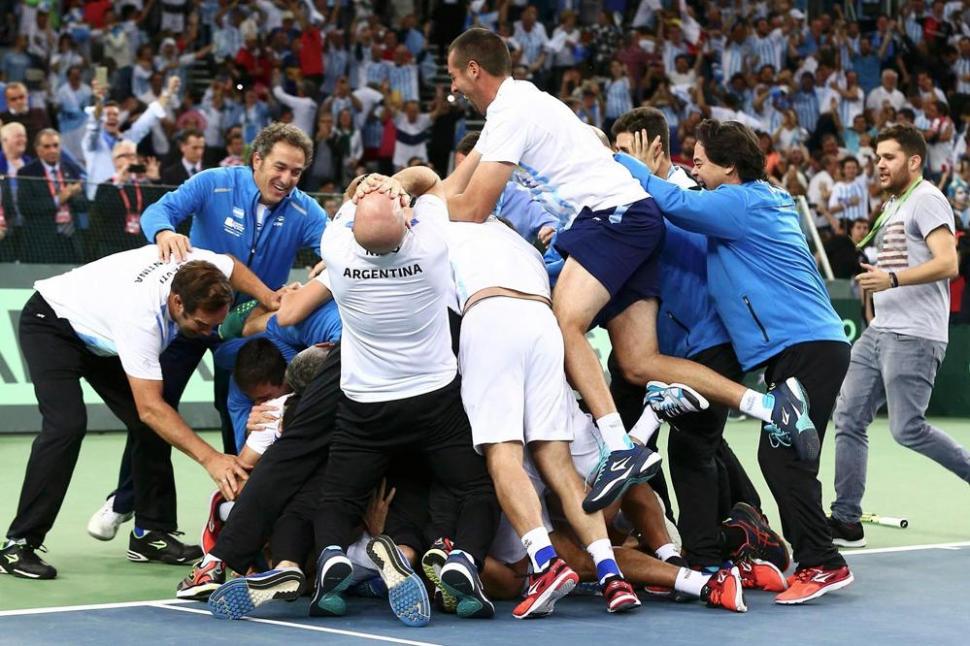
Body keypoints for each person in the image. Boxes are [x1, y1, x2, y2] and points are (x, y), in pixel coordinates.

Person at [444, 28, 813, 515]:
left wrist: (412, 218)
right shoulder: (516, 106)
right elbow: (452, 186)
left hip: (612, 216)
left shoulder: (511, 111)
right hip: (632, 219)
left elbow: (472, 208)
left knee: (564, 323)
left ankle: (618, 445)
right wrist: (403, 196)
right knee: (639, 362)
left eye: (454, 76)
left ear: (474, 69)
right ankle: (769, 406)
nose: (453, 88)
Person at [360, 167, 641, 617]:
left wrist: (389, 185)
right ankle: (611, 575)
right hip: (542, 324)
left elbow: (425, 179)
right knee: (556, 459)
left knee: (502, 455)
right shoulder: (519, 243)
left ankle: (545, 564)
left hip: (490, 316)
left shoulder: (438, 221)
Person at [622, 118, 853, 604]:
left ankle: (823, 563)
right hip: (802, 347)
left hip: (807, 345)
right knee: (780, 456)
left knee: (784, 457)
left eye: (701, 162)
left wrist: (627, 165)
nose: (694, 170)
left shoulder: (741, 202)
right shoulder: (752, 201)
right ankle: (769, 545)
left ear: (729, 166)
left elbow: (678, 204)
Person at [87, 123, 327, 542]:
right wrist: (165, 232)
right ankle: (126, 501)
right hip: (192, 315)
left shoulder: (306, 210)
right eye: (280, 167)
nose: (287, 179)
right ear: (257, 160)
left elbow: (337, 249)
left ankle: (241, 505)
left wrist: (326, 266)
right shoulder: (214, 183)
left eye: (296, 172)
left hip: (246, 325)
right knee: (158, 409)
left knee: (239, 407)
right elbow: (158, 211)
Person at [0, 247, 275, 580]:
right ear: (177, 302)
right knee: (67, 425)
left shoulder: (199, 269)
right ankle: (19, 544)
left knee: (156, 424)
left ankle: (151, 533)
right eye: (201, 324)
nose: (208, 333)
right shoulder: (141, 319)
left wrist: (269, 298)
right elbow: (149, 409)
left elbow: (230, 265)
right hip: (52, 323)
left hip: (101, 334)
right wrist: (212, 459)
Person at [311, 184, 499, 625]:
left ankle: (331, 557)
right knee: (476, 488)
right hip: (434, 402)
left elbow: (352, 202)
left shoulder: (335, 250)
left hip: (366, 407)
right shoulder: (430, 247)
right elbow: (429, 181)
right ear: (404, 221)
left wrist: (368, 188)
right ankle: (464, 559)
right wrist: (398, 187)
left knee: (338, 494)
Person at [610, 108, 780, 584]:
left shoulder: (691, 199)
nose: (617, 162)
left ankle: (711, 551)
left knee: (691, 445)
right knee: (660, 442)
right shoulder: (642, 197)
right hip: (657, 352)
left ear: (654, 150)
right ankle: (730, 528)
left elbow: (658, 234)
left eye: (624, 153)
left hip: (707, 344)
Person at [830, 124, 969, 547]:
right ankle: (846, 520)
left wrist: (891, 279)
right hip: (880, 331)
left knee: (907, 428)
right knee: (848, 417)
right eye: (877, 158)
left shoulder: (927, 199)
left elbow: (948, 263)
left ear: (914, 160)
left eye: (888, 157)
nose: (879, 165)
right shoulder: (894, 205)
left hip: (915, 335)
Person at [82, 76, 178, 199]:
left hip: (123, 200)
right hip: (97, 200)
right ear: (102, 118)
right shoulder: (92, 142)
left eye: (115, 114)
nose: (112, 117)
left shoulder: (127, 140)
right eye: (108, 114)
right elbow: (94, 127)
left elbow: (149, 117)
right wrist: (99, 100)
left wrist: (168, 93)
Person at [17, 128, 87, 264]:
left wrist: (73, 195)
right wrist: (58, 200)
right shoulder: (27, 172)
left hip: (71, 240)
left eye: (56, 145)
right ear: (38, 149)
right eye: (47, 146)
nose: (52, 150)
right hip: (42, 242)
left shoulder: (72, 169)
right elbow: (26, 207)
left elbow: (83, 206)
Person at [90, 140, 164, 257]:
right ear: (115, 161)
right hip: (112, 246)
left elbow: (160, 206)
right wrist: (118, 184)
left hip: (138, 245)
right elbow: (102, 210)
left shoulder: (142, 185)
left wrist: (155, 181)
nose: (130, 159)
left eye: (133, 155)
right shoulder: (106, 186)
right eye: (125, 155)